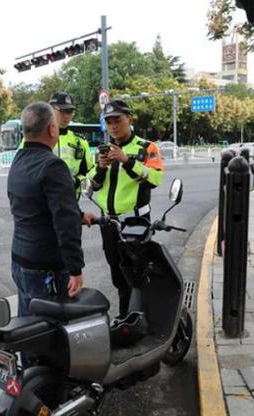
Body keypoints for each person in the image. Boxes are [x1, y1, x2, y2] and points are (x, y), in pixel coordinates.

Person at [8, 102, 88, 317]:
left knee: (29, 328)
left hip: (20, 259)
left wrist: (81, 216)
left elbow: (32, 205)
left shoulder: (18, 160)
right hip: (47, 266)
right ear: (53, 129)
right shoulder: (53, 165)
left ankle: (26, 353)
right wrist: (75, 269)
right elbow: (65, 222)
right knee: (50, 332)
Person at [87, 100, 164, 317]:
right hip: (109, 223)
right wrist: (101, 169)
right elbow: (91, 187)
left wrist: (126, 161)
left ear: (129, 119)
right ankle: (125, 318)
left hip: (135, 223)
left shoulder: (146, 148)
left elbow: (155, 179)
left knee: (138, 273)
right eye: (109, 122)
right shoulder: (103, 151)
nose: (113, 126)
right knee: (117, 273)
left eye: (117, 120)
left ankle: (142, 317)